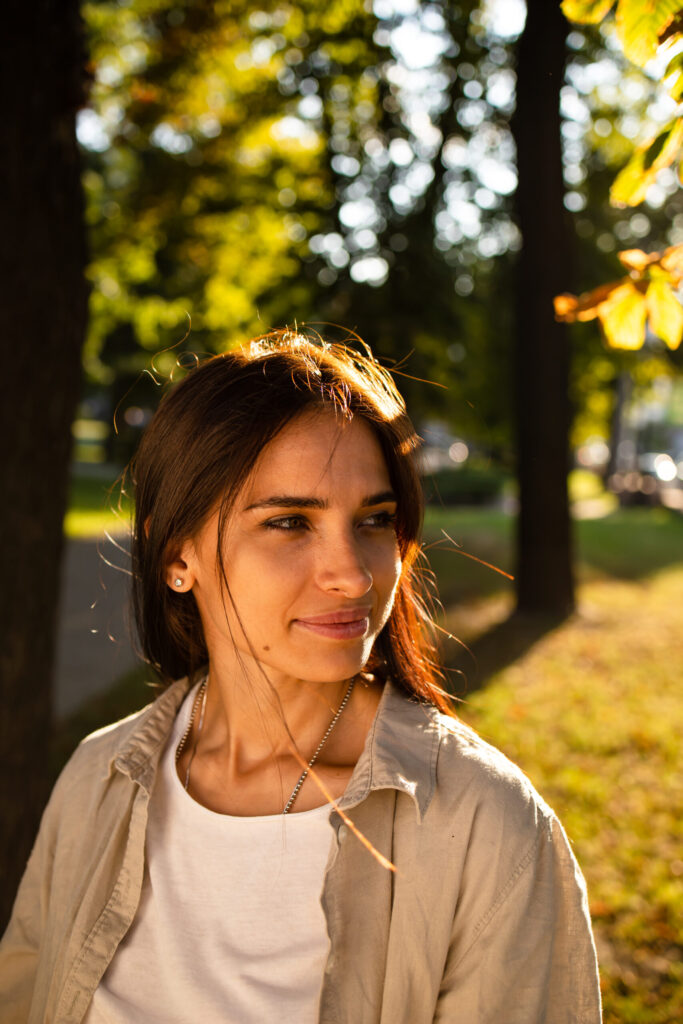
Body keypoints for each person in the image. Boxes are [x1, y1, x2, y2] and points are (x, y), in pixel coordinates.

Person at [0, 328, 602, 1023]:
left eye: (375, 520)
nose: (350, 574)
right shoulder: (96, 779)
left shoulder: (486, 827)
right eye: (289, 522)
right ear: (177, 558)